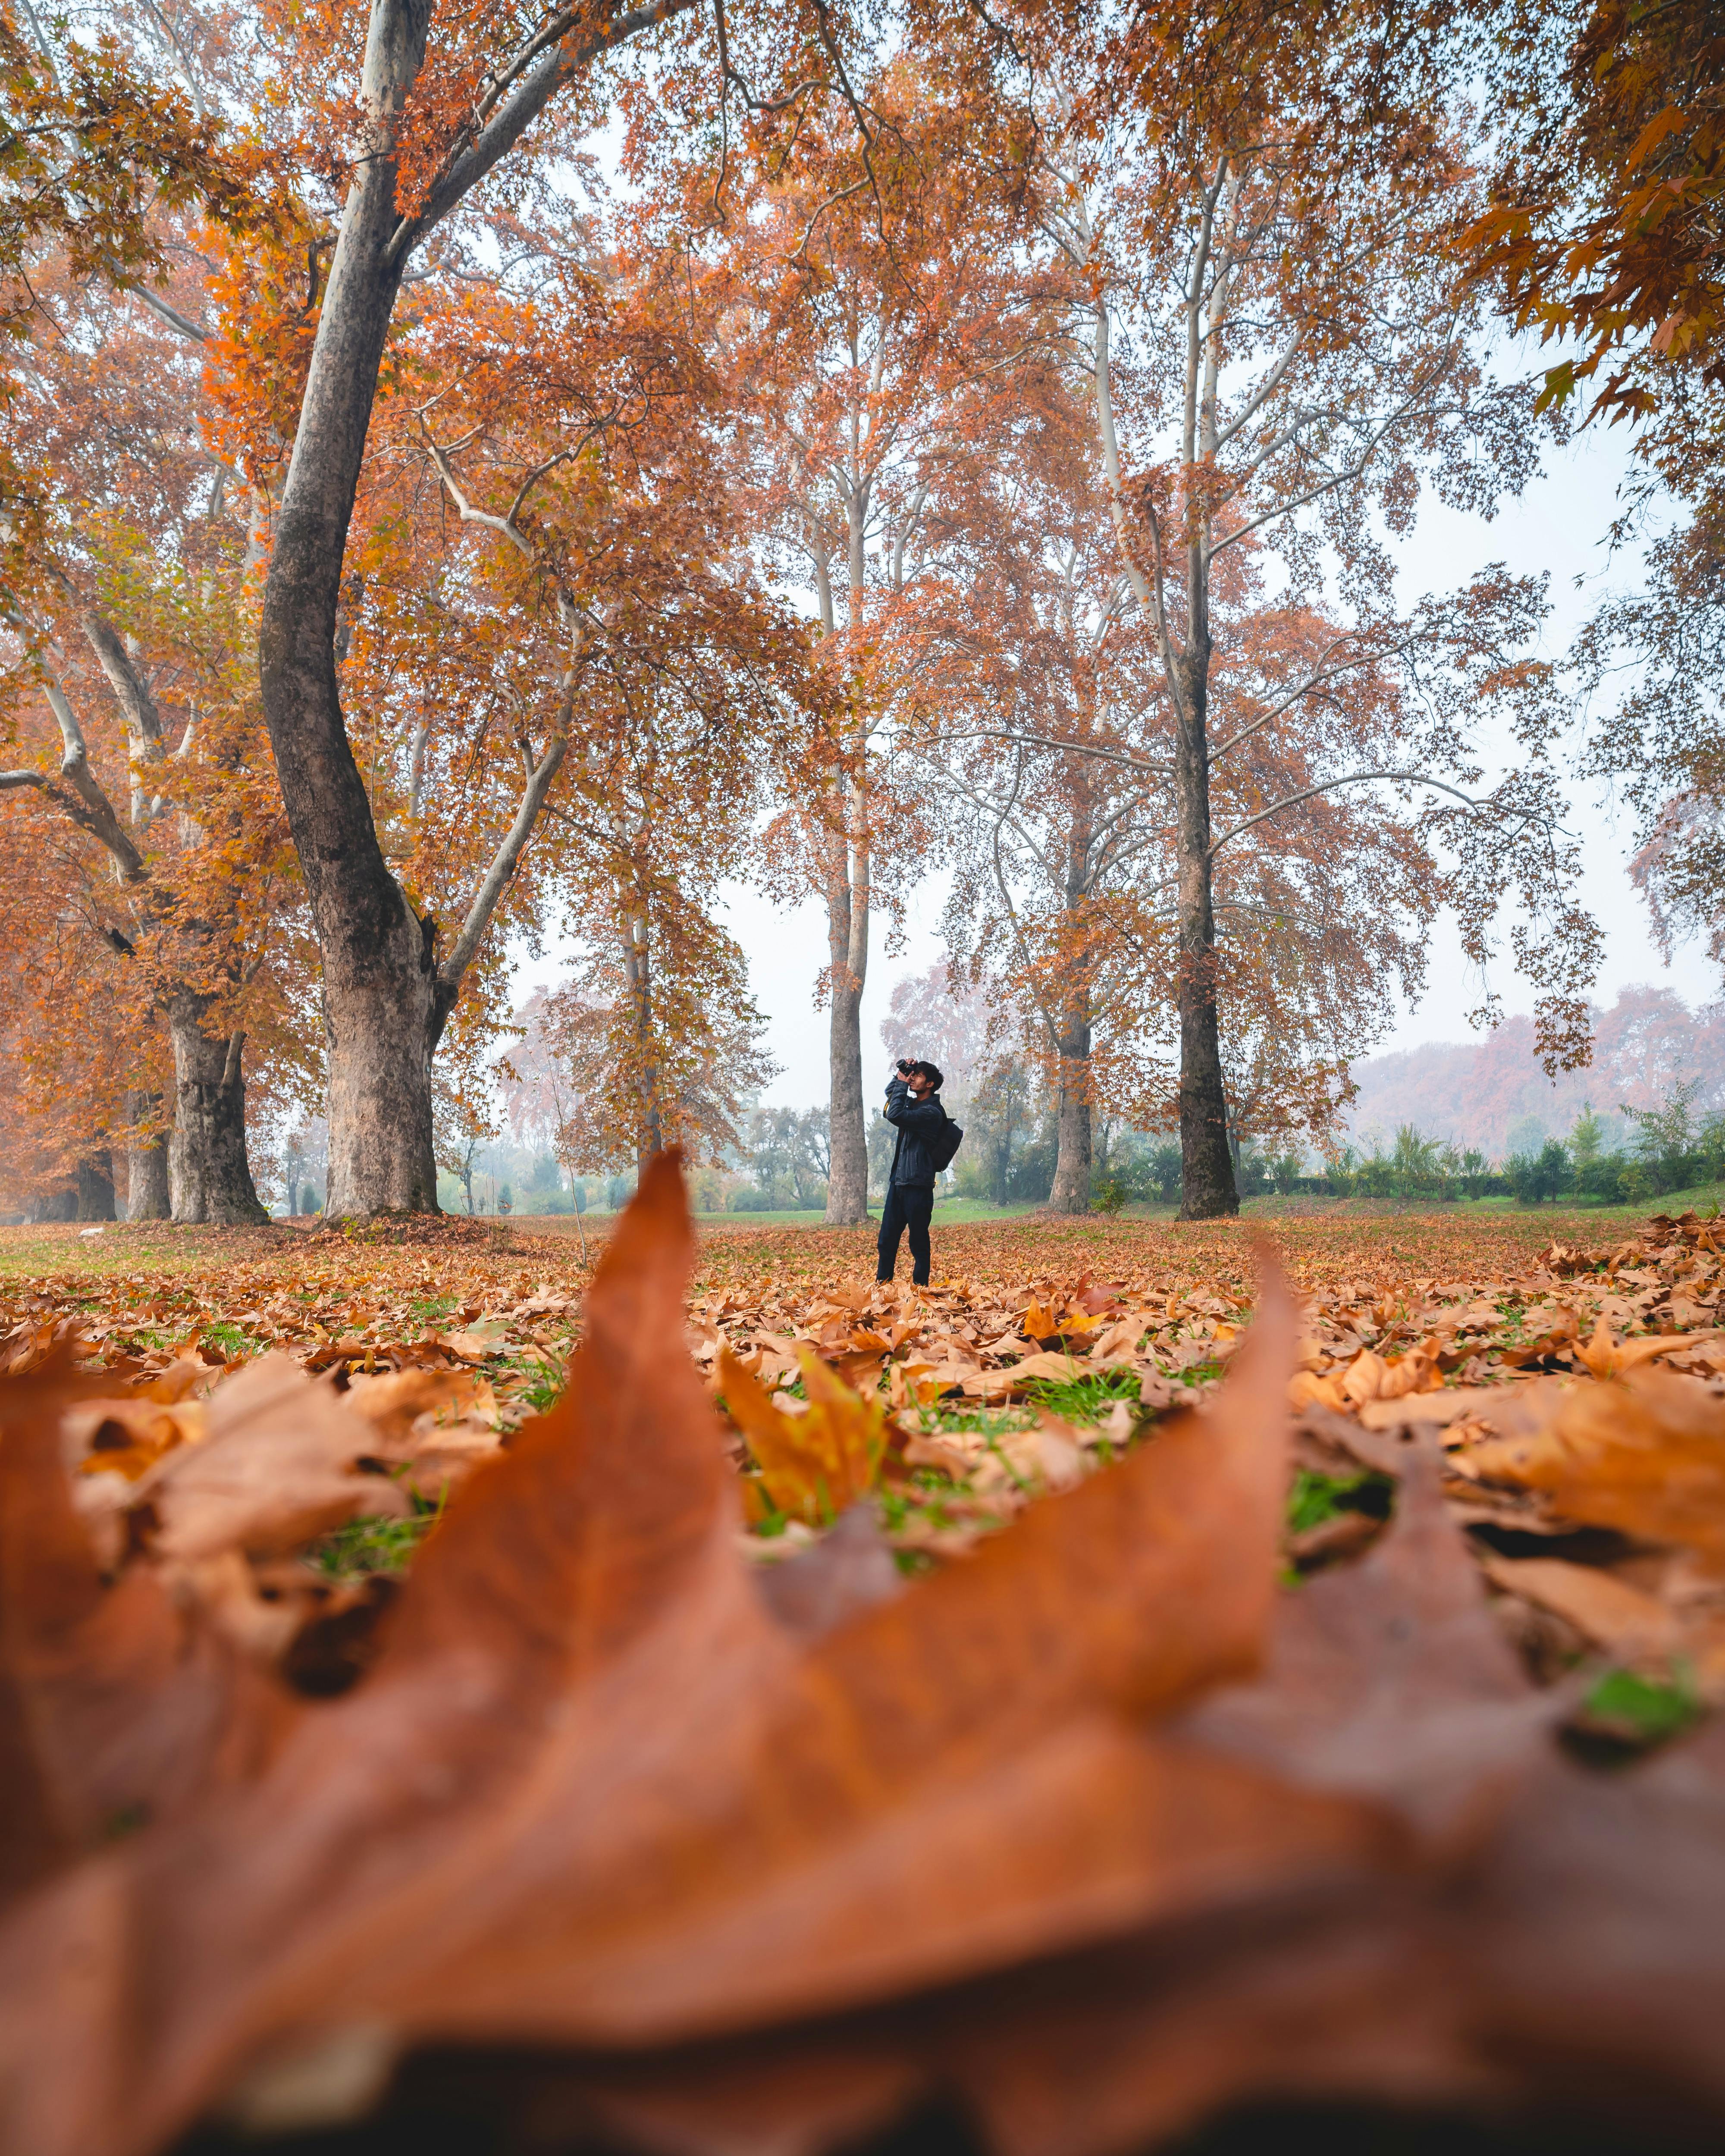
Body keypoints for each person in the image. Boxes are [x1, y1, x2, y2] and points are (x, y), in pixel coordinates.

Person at [878, 1057, 948, 1287]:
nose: (913, 1078)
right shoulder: (912, 1104)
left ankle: (921, 1289)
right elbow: (891, 1094)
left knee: (918, 1242)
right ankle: (883, 1287)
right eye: (913, 1074)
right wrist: (902, 1074)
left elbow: (895, 1114)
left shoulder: (932, 1112)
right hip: (898, 1182)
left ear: (930, 1084)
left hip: (918, 1185)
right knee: (886, 1240)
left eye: (918, 1075)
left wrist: (901, 1083)